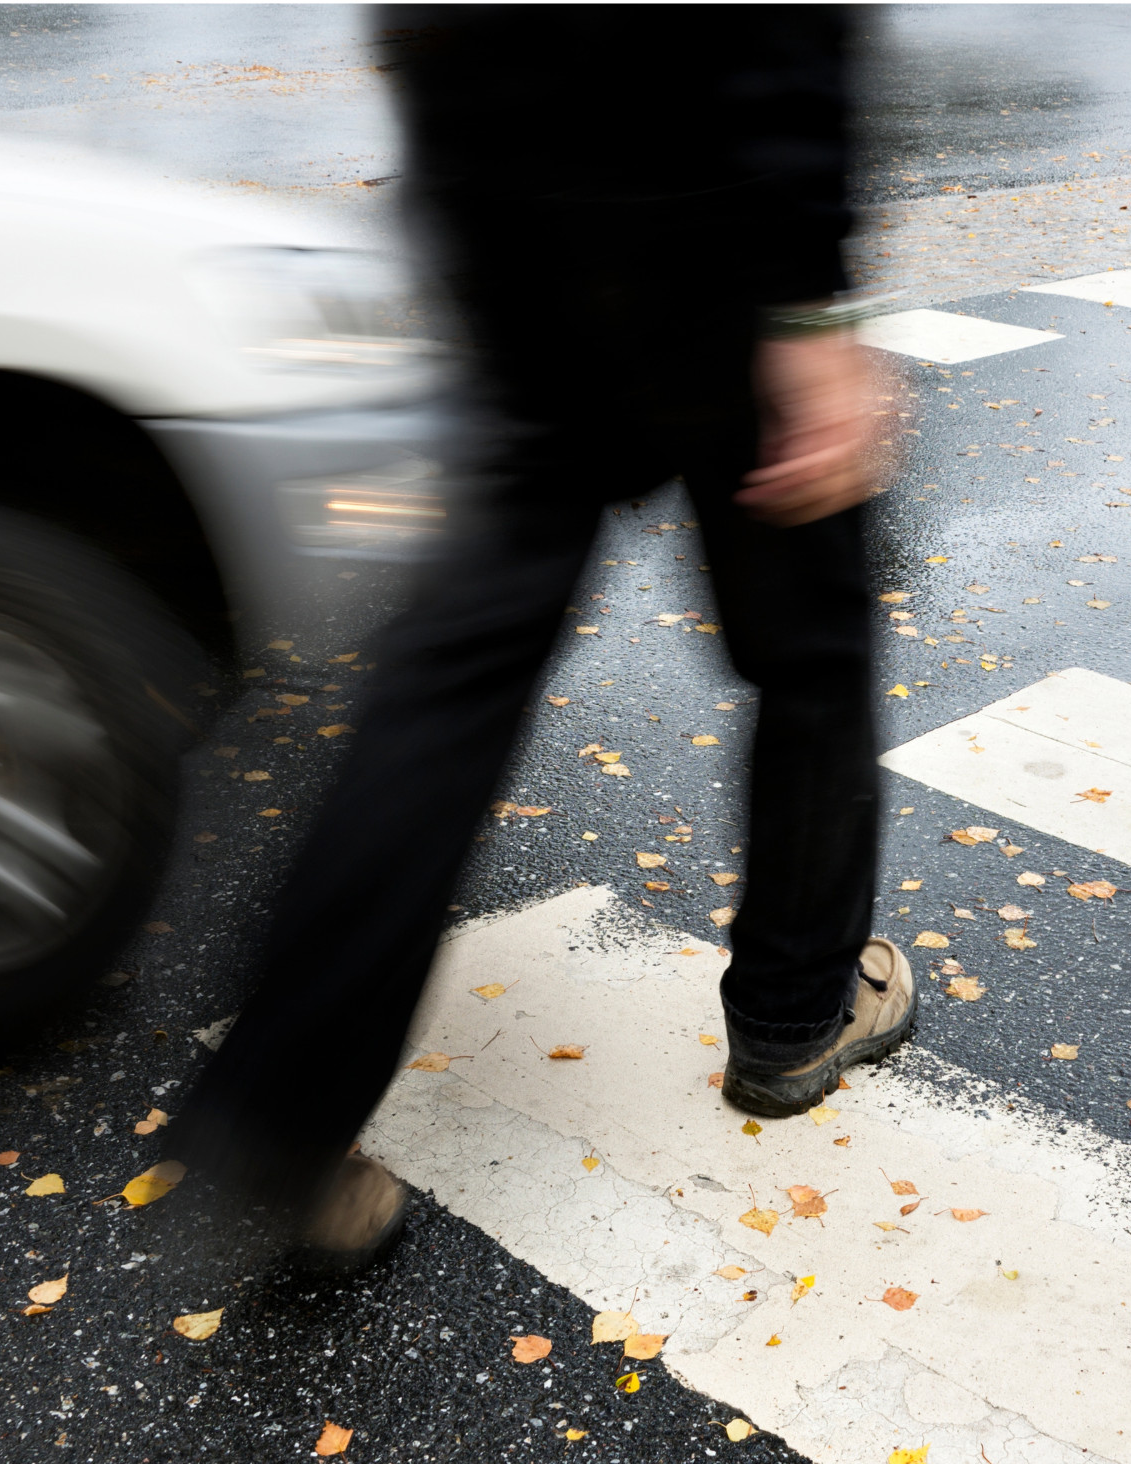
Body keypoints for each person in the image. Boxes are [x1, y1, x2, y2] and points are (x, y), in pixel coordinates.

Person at [166, 5, 911, 1273]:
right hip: (701, 194)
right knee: (811, 639)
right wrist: (803, 307)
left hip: (500, 189)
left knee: (454, 672)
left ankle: (281, 1115)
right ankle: (794, 1016)